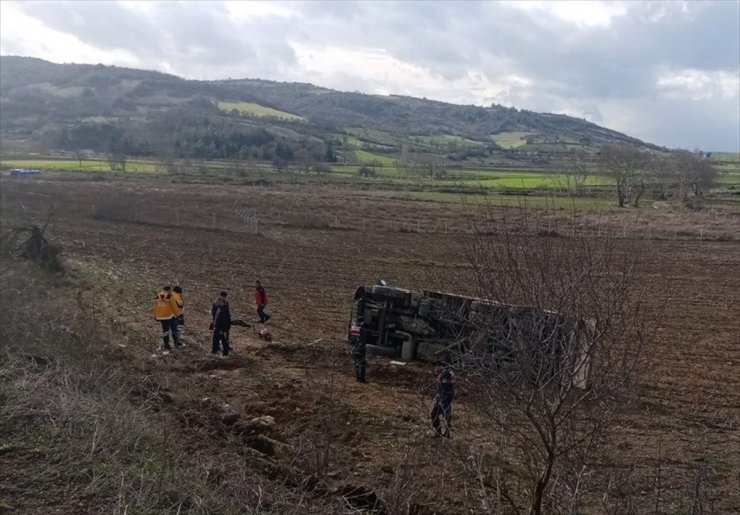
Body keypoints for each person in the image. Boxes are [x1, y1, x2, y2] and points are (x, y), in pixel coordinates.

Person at [152, 285, 180, 353]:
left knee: (165, 331)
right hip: (170, 316)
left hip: (161, 317)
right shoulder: (169, 296)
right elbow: (174, 306)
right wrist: (177, 314)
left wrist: (155, 315)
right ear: (168, 290)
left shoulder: (157, 296)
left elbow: (155, 307)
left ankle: (166, 344)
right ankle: (176, 343)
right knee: (174, 329)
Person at [430, 365, 456, 437]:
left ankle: (440, 432)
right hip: (445, 397)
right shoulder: (448, 373)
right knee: (446, 415)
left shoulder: (445, 375)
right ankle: (445, 432)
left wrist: (441, 399)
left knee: (435, 413)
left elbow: (446, 388)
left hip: (445, 398)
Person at [210, 291, 231, 357]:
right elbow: (214, 315)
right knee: (215, 338)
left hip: (221, 327)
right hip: (217, 326)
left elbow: (226, 320)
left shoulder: (224, 310)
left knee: (223, 339)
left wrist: (223, 329)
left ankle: (225, 353)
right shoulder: (218, 308)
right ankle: (214, 350)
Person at [347, 318, 367, 383]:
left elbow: (349, 338)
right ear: (361, 322)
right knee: (362, 363)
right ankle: (362, 378)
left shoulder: (352, 329)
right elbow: (364, 340)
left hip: (354, 348)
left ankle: (357, 377)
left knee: (356, 363)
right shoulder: (362, 329)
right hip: (361, 348)